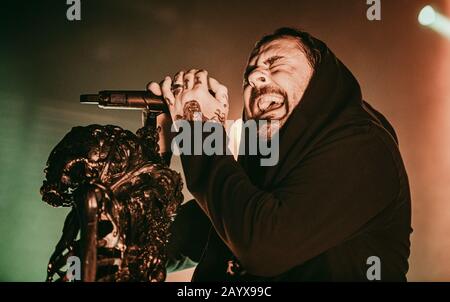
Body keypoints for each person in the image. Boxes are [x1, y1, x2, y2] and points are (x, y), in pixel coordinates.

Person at [147, 27, 412, 281]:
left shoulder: (365, 149)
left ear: (320, 81)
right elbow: (152, 248)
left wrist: (200, 131)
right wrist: (157, 151)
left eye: (275, 64)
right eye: (249, 74)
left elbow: (264, 247)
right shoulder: (251, 184)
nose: (255, 77)